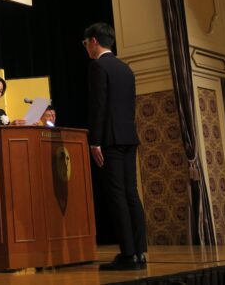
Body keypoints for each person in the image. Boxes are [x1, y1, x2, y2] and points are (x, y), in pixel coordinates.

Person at [83, 22, 147, 271]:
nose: (86, 48)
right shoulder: (125, 68)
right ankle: (139, 253)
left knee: (118, 195)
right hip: (129, 136)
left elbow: (98, 106)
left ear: (94, 41)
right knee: (132, 193)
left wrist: (95, 141)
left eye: (86, 43)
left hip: (110, 139)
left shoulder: (97, 66)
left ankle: (128, 254)